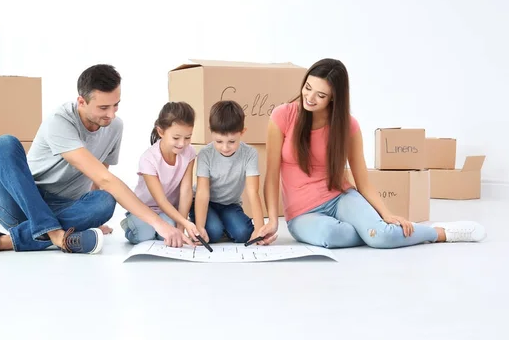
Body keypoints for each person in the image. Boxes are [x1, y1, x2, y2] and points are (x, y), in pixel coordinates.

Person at [0, 64, 193, 254]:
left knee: (104, 201)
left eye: (116, 105)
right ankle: (56, 236)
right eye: (103, 107)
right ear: (82, 102)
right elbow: (106, 178)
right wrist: (159, 223)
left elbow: (99, 178)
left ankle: (13, 240)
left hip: (65, 206)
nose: (111, 114)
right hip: (23, 204)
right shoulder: (60, 121)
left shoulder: (115, 127)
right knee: (4, 143)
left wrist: (90, 217)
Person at [257, 58, 487, 248]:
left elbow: (362, 181)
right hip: (301, 213)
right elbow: (272, 175)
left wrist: (385, 214)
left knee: (383, 235)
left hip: (340, 198)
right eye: (308, 88)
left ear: (334, 97)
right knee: (330, 236)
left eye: (320, 94)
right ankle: (374, 232)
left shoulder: (348, 126)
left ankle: (439, 232)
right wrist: (272, 220)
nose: (310, 97)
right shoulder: (282, 116)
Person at [120, 101, 201, 245]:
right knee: (144, 235)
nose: (182, 143)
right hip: (145, 208)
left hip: (168, 210)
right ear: (161, 132)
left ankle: (161, 227)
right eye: (176, 138)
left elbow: (186, 191)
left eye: (187, 137)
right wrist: (184, 221)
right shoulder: (148, 159)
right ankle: (130, 222)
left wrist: (181, 227)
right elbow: (161, 200)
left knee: (170, 236)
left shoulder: (189, 153)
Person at [189, 100, 265, 244]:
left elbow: (253, 192)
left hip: (230, 204)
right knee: (212, 232)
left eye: (231, 141)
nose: (225, 147)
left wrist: (260, 229)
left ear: (242, 132)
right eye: (219, 141)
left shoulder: (250, 154)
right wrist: (199, 228)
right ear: (210, 131)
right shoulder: (206, 154)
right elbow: (202, 193)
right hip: (206, 202)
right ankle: (216, 225)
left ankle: (222, 224)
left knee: (244, 233)